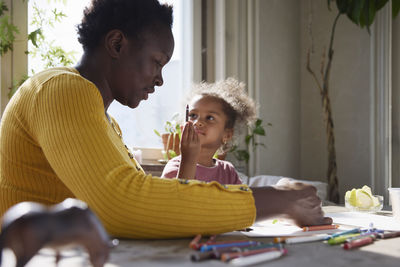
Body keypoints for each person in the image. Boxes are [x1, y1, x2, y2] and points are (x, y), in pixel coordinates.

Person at [0, 0, 331, 239]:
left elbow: (145, 200)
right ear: (117, 44)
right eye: (157, 62)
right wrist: (279, 199)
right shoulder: (61, 88)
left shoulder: (106, 123)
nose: (160, 80)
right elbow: (124, 206)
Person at [161, 78, 255, 185]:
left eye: (210, 118)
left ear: (227, 135)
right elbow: (177, 199)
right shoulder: (175, 166)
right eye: (193, 115)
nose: (198, 122)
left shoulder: (228, 172)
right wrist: (188, 160)